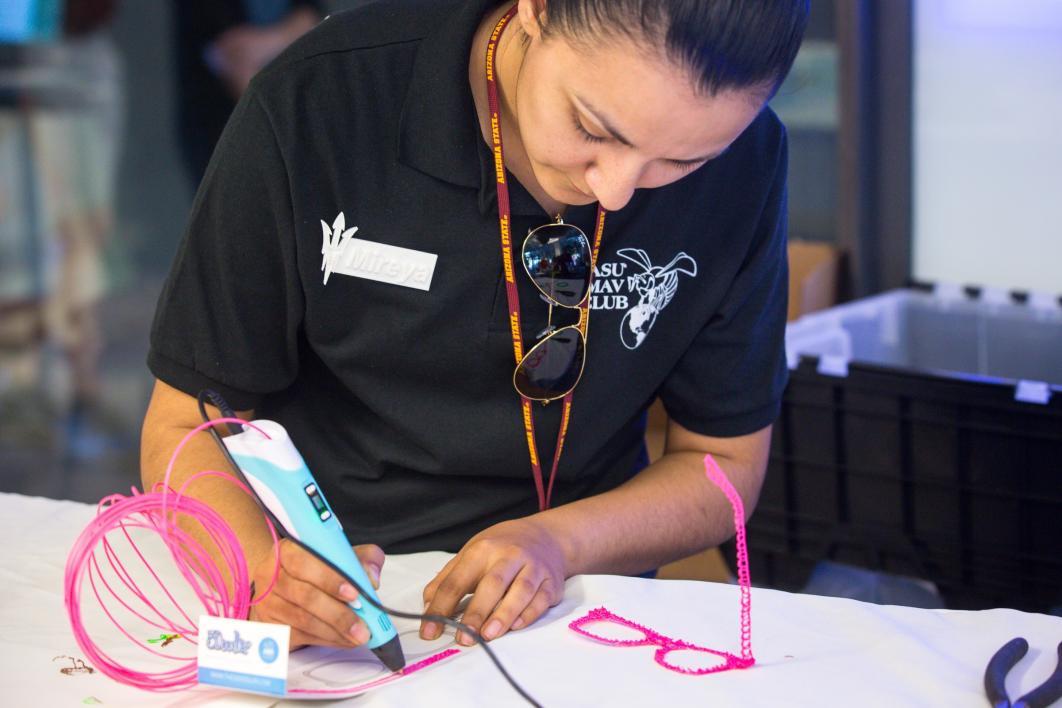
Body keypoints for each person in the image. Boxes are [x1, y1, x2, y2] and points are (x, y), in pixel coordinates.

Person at [142, 0, 807, 653]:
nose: (616, 190)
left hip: (580, 596)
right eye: (592, 127)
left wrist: (561, 541)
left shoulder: (748, 161)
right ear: (535, 10)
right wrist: (262, 571)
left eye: (681, 163)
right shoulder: (323, 98)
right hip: (339, 594)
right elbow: (184, 426)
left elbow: (721, 465)